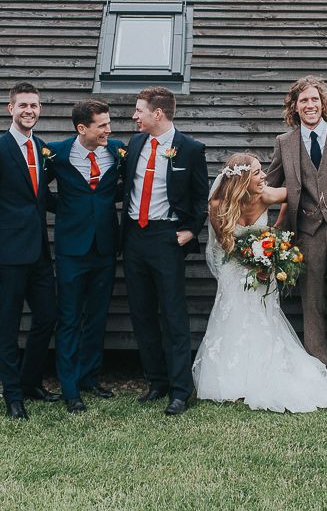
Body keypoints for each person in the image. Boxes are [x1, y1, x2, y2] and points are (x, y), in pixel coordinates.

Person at [193, 153, 327, 411]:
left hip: (262, 263)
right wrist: (255, 262)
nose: (264, 176)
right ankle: (233, 379)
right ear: (242, 179)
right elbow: (226, 244)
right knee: (232, 315)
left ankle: (263, 370)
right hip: (234, 267)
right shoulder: (218, 205)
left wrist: (274, 232)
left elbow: (293, 196)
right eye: (256, 172)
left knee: (263, 317)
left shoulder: (265, 195)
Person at [266, 76, 327, 401]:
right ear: (294, 106)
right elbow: (268, 185)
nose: (310, 105)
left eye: (314, 99)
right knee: (312, 305)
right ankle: (318, 375)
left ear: (323, 103)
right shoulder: (285, 142)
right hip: (306, 233)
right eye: (303, 100)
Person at [121, 86, 208, 416]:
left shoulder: (189, 148)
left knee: (173, 315)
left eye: (139, 110)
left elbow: (201, 198)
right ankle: (156, 381)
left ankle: (179, 389)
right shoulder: (135, 143)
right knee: (142, 313)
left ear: (157, 114)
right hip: (133, 236)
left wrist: (190, 231)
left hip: (166, 237)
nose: (134, 116)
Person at [46, 100, 125, 413]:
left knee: (97, 315)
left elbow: (124, 188)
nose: (109, 130)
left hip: (105, 246)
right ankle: (69, 387)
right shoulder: (57, 153)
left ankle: (89, 376)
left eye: (108, 123)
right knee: (68, 318)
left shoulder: (116, 150)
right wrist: (67, 210)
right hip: (71, 250)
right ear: (82, 128)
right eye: (102, 125)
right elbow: (40, 191)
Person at [0, 82, 60, 420]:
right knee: (7, 325)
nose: (30, 111)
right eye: (23, 105)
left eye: (35, 106)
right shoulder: (1, 147)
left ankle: (30, 381)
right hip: (7, 253)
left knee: (48, 316)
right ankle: (12, 395)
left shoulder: (41, 148)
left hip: (39, 251)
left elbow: (42, 198)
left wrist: (83, 204)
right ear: (11, 109)